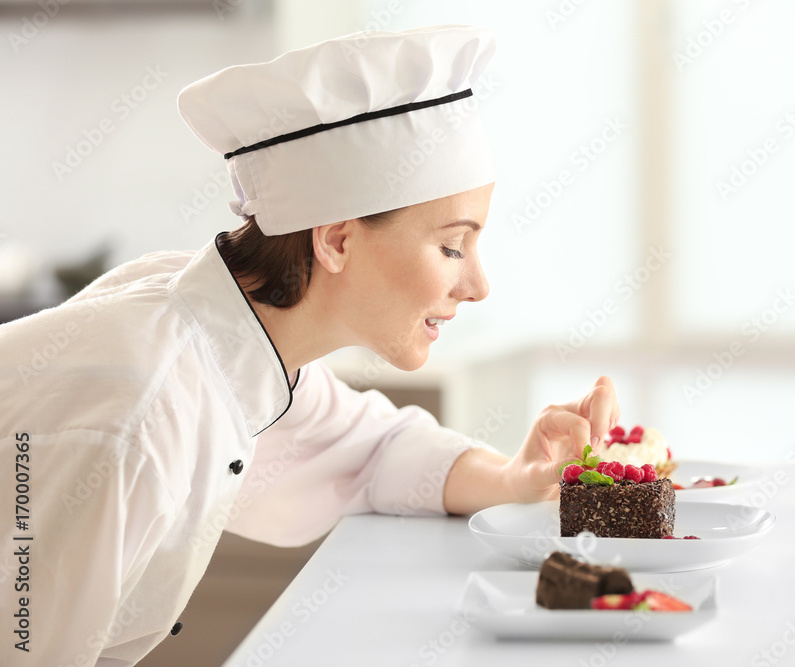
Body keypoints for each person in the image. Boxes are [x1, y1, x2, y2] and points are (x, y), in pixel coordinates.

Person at [0, 25, 619, 665]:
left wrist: (518, 477)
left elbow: (374, 448)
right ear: (337, 241)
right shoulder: (140, 414)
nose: (479, 286)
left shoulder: (235, 340)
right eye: (451, 246)